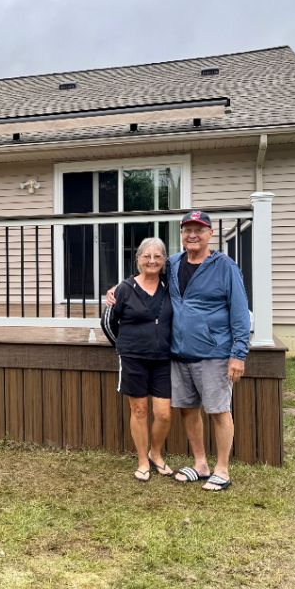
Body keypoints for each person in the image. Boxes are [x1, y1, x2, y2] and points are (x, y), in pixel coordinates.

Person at [106, 210, 251, 491]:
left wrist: (238, 354)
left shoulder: (225, 267)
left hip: (214, 353)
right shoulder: (173, 263)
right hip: (178, 354)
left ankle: (222, 469)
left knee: (219, 410)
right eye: (187, 230)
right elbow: (146, 269)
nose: (193, 235)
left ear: (210, 233)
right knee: (187, 411)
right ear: (182, 235)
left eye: (199, 229)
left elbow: (239, 313)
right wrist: (117, 288)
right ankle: (201, 464)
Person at [100, 237, 174, 482]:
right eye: (146, 256)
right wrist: (122, 347)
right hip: (133, 359)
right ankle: (143, 460)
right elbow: (107, 322)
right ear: (138, 259)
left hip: (163, 358)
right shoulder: (123, 289)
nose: (152, 261)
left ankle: (156, 453)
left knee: (163, 414)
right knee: (139, 410)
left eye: (157, 256)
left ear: (164, 260)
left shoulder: (170, 285)